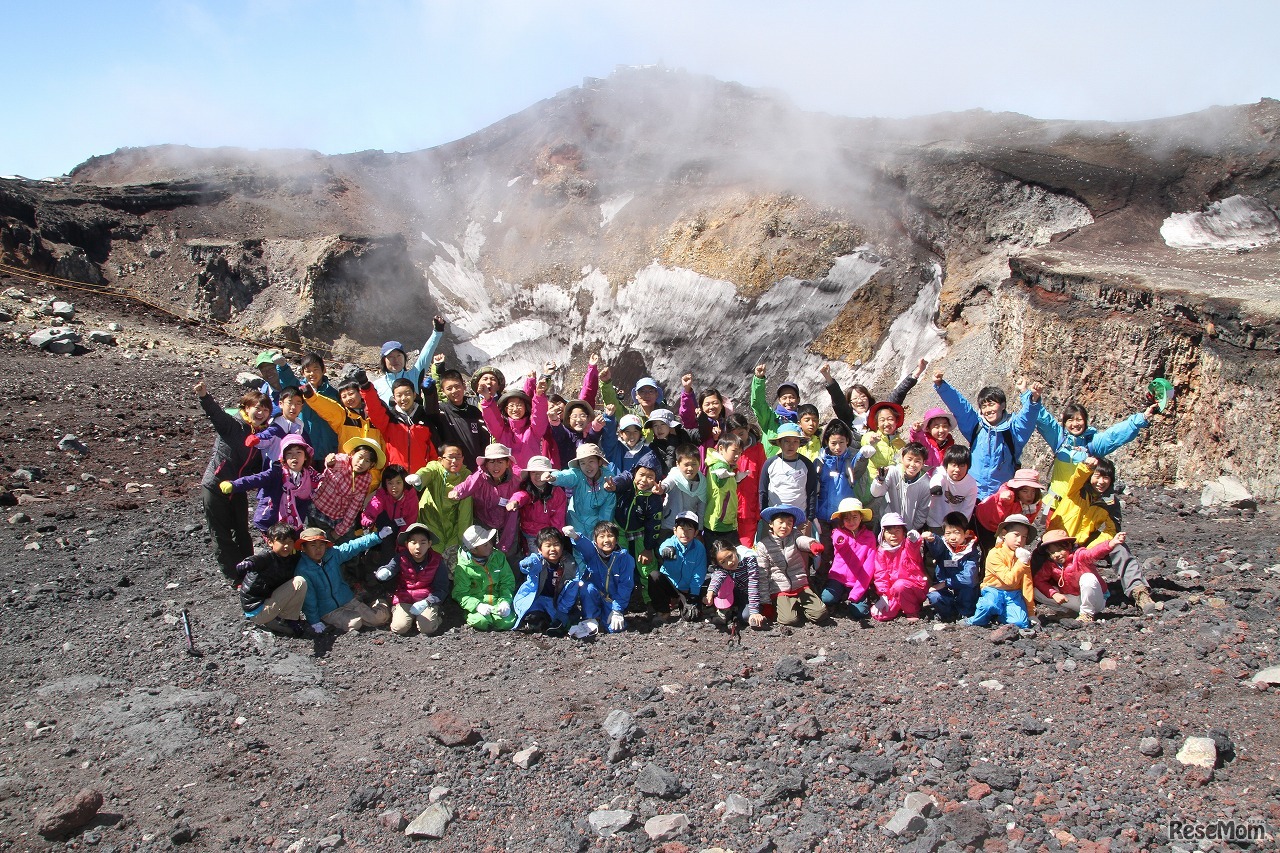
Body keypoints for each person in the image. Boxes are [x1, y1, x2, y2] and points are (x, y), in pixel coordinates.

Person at [1046, 456, 1156, 613]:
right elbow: (1078, 477)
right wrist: (1086, 467)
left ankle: (1139, 591)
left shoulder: (1110, 502)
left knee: (1119, 547)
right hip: (1057, 540)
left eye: (1106, 478)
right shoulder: (1077, 490)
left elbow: (1112, 530)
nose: (1101, 482)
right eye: (1097, 476)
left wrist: (1090, 549)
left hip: (1084, 541)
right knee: (1039, 564)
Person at [196, 380, 269, 584]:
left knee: (242, 531)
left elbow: (257, 465)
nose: (261, 413)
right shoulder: (232, 425)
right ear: (246, 408)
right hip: (214, 484)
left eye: (265, 409)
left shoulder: (263, 434)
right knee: (221, 533)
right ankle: (234, 577)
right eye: (257, 408)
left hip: (237, 488)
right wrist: (204, 395)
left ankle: (249, 569)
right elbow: (215, 413)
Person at [934, 372, 1042, 499]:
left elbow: (1027, 418)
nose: (988, 410)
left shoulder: (1013, 430)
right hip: (973, 493)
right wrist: (941, 385)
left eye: (991, 404)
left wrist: (1033, 399)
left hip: (1001, 496)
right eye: (984, 406)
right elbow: (960, 406)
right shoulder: (975, 426)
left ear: (1003, 405)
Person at [1036, 400, 1159, 509]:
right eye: (1070, 420)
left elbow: (1113, 436)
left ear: (1086, 421)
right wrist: (1033, 398)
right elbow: (1045, 420)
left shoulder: (1092, 443)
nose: (1075, 424)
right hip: (1055, 505)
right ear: (1064, 422)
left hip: (1079, 507)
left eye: (1079, 420)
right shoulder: (1058, 439)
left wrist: (1142, 417)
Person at [296, 525, 394, 634]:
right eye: (313, 545)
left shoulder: (333, 554)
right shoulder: (303, 570)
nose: (318, 549)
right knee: (355, 623)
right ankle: (361, 613)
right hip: (328, 611)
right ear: (303, 548)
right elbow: (309, 599)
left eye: (321, 545)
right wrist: (314, 621)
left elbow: (354, 546)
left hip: (347, 600)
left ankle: (381, 602)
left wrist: (378, 536)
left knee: (380, 618)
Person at [221, 434, 317, 534]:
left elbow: (324, 485)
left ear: (305, 457)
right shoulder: (276, 473)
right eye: (289, 453)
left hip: (295, 525)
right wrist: (234, 485)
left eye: (299, 452)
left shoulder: (311, 476)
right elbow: (256, 479)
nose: (294, 457)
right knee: (277, 543)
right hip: (271, 522)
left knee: (291, 542)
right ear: (283, 457)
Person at [232, 523, 310, 638]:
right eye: (282, 542)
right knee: (299, 582)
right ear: (270, 542)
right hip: (258, 609)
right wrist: (248, 563)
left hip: (266, 603)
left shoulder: (290, 556)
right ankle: (283, 620)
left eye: (290, 542)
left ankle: (283, 618)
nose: (286, 546)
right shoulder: (268, 557)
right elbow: (257, 560)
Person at [754, 504, 827, 627]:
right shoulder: (763, 545)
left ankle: (797, 606)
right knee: (789, 620)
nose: (785, 526)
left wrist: (812, 544)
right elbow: (762, 576)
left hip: (800, 585)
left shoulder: (794, 535)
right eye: (780, 522)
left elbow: (802, 540)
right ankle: (789, 607)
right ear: (771, 524)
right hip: (780, 589)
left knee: (820, 614)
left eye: (789, 523)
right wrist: (766, 603)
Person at [1032, 528, 1124, 623]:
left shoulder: (1080, 556)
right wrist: (1054, 594)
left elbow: (1093, 553)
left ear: (1068, 546)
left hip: (1095, 601)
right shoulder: (1051, 565)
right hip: (1074, 599)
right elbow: (1039, 580)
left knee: (1088, 578)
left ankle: (1087, 614)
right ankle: (1067, 612)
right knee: (1035, 591)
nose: (1057, 555)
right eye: (1052, 552)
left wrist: (1111, 544)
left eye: (1059, 550)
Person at [450, 443, 522, 563]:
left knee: (510, 553)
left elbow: (523, 494)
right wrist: (457, 491)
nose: (496, 466)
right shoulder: (480, 476)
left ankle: (510, 574)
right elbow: (468, 485)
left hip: (508, 520)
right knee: (484, 551)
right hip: (484, 519)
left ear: (507, 463)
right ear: (486, 464)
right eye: (491, 462)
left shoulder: (515, 478)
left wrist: (516, 501)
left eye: (500, 462)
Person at [374, 523, 450, 636]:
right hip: (404, 598)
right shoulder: (400, 558)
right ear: (406, 544)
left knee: (427, 628)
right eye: (413, 542)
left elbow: (442, 588)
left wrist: (427, 602)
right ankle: (399, 612)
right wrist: (384, 572)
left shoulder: (437, 560)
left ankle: (436, 615)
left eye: (423, 543)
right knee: (399, 628)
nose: (418, 547)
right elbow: (391, 568)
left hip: (426, 600)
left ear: (429, 544)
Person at [406, 445, 473, 574]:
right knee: (427, 565)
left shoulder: (466, 476)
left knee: (453, 568)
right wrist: (419, 478)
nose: (454, 461)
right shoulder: (435, 469)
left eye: (458, 457)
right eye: (450, 457)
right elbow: (427, 472)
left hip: (453, 529)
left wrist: (465, 540)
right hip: (430, 523)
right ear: (440, 459)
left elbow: (465, 513)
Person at [564, 520, 636, 634]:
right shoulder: (592, 553)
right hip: (595, 595)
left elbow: (626, 586)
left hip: (613, 600)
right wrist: (575, 536)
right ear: (596, 540)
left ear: (616, 539)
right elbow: (585, 546)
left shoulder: (625, 559)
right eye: (602, 536)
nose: (606, 540)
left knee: (614, 629)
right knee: (587, 587)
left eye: (610, 536)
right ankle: (591, 618)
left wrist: (617, 610)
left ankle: (605, 617)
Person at [309, 437, 386, 540]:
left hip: (340, 518)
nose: (361, 463)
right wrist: (330, 461)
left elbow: (355, 507)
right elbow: (334, 463)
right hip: (319, 511)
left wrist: (339, 531)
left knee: (347, 546)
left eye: (367, 461)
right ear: (352, 454)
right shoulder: (343, 461)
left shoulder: (366, 479)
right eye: (360, 457)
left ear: (371, 465)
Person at [968, 514, 1036, 629]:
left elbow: (1027, 584)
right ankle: (973, 620)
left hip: (1013, 593)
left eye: (1024, 537)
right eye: (1016, 535)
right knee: (988, 605)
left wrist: (1031, 613)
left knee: (1020, 623)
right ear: (1004, 533)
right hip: (993, 589)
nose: (1020, 540)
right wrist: (1021, 562)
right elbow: (1009, 580)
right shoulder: (995, 554)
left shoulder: (1022, 556)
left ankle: (1000, 615)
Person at [360, 377, 438, 472]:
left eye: (407, 394)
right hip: (394, 476)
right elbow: (374, 409)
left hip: (421, 476)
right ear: (394, 398)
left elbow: (434, 451)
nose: (403, 398)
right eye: (399, 395)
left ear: (414, 395)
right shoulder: (389, 419)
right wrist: (365, 386)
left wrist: (431, 474)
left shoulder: (425, 417)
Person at [453, 525, 517, 631]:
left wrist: (505, 601)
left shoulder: (499, 557)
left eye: (489, 542)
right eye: (485, 545)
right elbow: (460, 593)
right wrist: (477, 605)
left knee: (507, 623)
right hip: (477, 604)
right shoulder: (463, 568)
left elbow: (507, 581)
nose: (490, 545)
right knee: (481, 622)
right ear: (473, 550)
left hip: (497, 601)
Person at [821, 498, 877, 619]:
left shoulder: (869, 536)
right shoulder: (838, 533)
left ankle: (854, 596)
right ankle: (842, 595)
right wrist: (840, 541)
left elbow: (869, 566)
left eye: (854, 517)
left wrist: (857, 592)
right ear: (842, 520)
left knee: (860, 612)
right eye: (846, 518)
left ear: (861, 517)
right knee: (826, 598)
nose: (851, 521)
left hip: (858, 580)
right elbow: (838, 541)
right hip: (838, 577)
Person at [419, 368, 491, 461]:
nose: (454, 391)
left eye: (457, 386)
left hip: (476, 465)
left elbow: (484, 439)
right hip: (452, 465)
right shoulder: (441, 411)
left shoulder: (474, 411)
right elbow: (431, 412)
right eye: (449, 388)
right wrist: (429, 393)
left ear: (464, 386)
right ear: (443, 391)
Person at [550, 443, 618, 540]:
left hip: (597, 524)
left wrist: (602, 532)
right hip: (576, 521)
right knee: (578, 546)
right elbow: (566, 476)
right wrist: (553, 477)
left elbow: (607, 511)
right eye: (583, 463)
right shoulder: (578, 475)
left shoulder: (609, 481)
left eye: (591, 461)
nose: (587, 466)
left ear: (599, 462)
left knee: (598, 545)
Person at [372, 315, 446, 404]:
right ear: (384, 361)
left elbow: (426, 354)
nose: (396, 360)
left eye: (399, 356)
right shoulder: (376, 386)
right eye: (391, 357)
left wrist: (437, 332)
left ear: (404, 358)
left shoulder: (414, 375)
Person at [869, 513, 929, 622]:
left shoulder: (907, 546)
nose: (893, 535)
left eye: (897, 531)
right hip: (894, 592)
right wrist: (883, 595)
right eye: (889, 532)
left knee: (900, 585)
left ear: (903, 532)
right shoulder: (881, 551)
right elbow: (880, 575)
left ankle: (912, 611)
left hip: (914, 588)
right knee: (879, 614)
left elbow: (913, 546)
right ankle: (901, 605)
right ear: (883, 534)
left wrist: (915, 540)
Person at [923, 512, 982, 621]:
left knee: (968, 589)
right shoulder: (944, 546)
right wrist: (932, 540)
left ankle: (965, 613)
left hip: (963, 590)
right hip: (946, 589)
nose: (952, 537)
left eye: (957, 532)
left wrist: (946, 583)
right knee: (934, 595)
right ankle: (948, 614)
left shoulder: (971, 551)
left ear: (966, 533)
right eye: (948, 533)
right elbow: (937, 547)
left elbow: (969, 579)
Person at [973, 468, 1045, 555]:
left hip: (1008, 528)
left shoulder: (1036, 504)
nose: (1030, 495)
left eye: (1033, 491)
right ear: (1017, 490)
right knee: (989, 551)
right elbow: (1004, 491)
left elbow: (1027, 522)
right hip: (987, 523)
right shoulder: (1008, 498)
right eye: (1025, 491)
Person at [481, 380, 551, 468]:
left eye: (519, 405)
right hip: (507, 475)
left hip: (530, 474)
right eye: (511, 405)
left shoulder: (533, 430)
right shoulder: (502, 431)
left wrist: (539, 395)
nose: (515, 409)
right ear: (506, 409)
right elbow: (492, 418)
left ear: (526, 408)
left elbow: (540, 416)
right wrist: (487, 399)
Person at [514, 528, 573, 634]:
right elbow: (527, 565)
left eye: (556, 544)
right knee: (534, 616)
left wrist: (563, 610)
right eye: (548, 545)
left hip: (556, 602)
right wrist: (526, 564)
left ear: (562, 547)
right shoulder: (537, 561)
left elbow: (572, 589)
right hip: (536, 599)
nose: (553, 549)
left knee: (565, 619)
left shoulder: (569, 564)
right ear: (540, 549)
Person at [508, 455, 569, 556]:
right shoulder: (527, 490)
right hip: (531, 533)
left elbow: (559, 518)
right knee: (536, 557)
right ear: (529, 475)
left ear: (548, 474)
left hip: (550, 533)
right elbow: (521, 496)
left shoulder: (557, 492)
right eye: (533, 472)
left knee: (551, 556)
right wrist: (514, 501)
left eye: (541, 472)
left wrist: (553, 536)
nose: (537, 475)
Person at [652, 512, 708, 621]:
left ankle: (682, 602)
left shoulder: (699, 548)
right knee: (654, 576)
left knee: (691, 617)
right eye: (681, 528)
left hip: (687, 589)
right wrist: (665, 550)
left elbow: (699, 572)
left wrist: (693, 595)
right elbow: (663, 546)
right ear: (675, 530)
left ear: (696, 532)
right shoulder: (670, 543)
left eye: (690, 529)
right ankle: (663, 611)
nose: (685, 533)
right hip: (670, 585)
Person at [759, 423, 817, 527]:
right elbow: (763, 491)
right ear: (779, 442)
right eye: (787, 441)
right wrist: (764, 516)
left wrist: (810, 518)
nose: (791, 445)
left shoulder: (806, 464)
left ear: (799, 443)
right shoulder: (770, 463)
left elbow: (812, 491)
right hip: (775, 519)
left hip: (800, 519)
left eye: (795, 441)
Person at [869, 441, 932, 532]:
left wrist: (912, 529)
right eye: (909, 459)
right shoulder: (892, 472)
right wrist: (880, 480)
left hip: (909, 529)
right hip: (887, 525)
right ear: (902, 459)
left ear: (923, 463)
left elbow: (922, 511)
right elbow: (876, 493)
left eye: (917, 461)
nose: (912, 464)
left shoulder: (926, 483)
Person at [704, 539, 766, 630]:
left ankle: (751, 608)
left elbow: (753, 585)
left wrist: (754, 612)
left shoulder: (748, 558)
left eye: (730, 556)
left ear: (734, 550)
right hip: (735, 590)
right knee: (718, 580)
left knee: (745, 617)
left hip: (749, 593)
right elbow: (718, 577)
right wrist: (710, 593)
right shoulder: (722, 567)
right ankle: (726, 610)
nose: (729, 563)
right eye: (723, 562)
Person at [726, 413, 766, 548]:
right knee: (727, 551)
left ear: (748, 429)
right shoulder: (723, 450)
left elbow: (762, 480)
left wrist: (760, 509)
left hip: (749, 510)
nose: (739, 439)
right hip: (727, 511)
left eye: (741, 434)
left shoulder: (758, 449)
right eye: (734, 435)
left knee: (745, 550)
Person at [749, 363, 801, 457]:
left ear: (798, 400)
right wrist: (759, 380)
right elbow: (758, 404)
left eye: (792, 397)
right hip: (771, 464)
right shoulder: (770, 418)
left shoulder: (803, 421)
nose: (788, 401)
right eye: (784, 398)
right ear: (779, 401)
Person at [926, 445, 979, 533]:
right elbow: (937, 478)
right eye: (953, 465)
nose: (957, 469)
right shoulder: (941, 472)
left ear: (968, 467)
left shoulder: (971, 484)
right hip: (935, 520)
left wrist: (960, 527)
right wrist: (936, 487)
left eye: (962, 466)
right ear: (946, 465)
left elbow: (967, 510)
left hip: (955, 525)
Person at [703, 435, 745, 541]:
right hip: (718, 524)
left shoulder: (728, 468)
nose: (737, 456)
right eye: (734, 451)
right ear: (721, 449)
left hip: (728, 522)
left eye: (740, 453)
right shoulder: (718, 465)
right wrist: (723, 472)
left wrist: (736, 479)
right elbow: (719, 473)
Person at [859, 400, 907, 481]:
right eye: (882, 420)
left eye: (890, 419)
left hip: (894, 484)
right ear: (877, 423)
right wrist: (872, 443)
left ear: (896, 421)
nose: (886, 423)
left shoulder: (902, 444)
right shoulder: (870, 436)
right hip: (871, 482)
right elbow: (866, 444)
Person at [909, 407, 957, 475]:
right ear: (928, 429)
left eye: (945, 426)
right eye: (936, 427)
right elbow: (915, 440)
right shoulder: (925, 442)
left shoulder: (950, 443)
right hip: (928, 477)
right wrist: (916, 431)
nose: (941, 430)